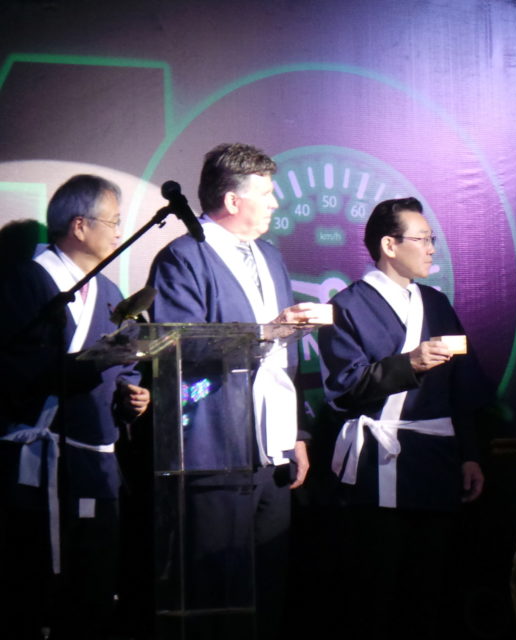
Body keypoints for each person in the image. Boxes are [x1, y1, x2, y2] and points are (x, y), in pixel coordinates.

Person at [147, 143, 326, 638]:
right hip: (214, 446)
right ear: (231, 200)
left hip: (272, 447)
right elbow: (178, 346)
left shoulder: (270, 257)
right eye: (265, 194)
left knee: (268, 586)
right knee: (217, 590)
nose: (274, 203)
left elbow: (285, 358)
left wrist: (297, 433)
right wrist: (265, 332)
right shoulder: (184, 257)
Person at [318, 197, 491, 638]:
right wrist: (409, 363)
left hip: (436, 460)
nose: (432, 249)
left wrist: (470, 454)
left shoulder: (437, 303)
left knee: (430, 591)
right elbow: (345, 387)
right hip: (379, 465)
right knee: (378, 592)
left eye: (433, 240)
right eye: (423, 239)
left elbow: (461, 388)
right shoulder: (347, 306)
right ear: (389, 245)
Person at [0, 175, 149, 639]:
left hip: (95, 459)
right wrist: (91, 366)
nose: (119, 233)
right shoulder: (24, 284)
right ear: (79, 226)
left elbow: (123, 373)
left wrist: (132, 396)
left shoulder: (109, 293)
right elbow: (17, 369)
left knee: (95, 581)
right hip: (42, 456)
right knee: (42, 583)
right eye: (113, 222)